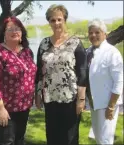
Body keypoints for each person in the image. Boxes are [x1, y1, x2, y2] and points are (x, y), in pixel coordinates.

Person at [35, 4, 87, 145]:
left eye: (59, 19)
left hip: (70, 99)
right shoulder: (44, 43)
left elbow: (82, 73)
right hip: (50, 98)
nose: (56, 23)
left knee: (69, 138)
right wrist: (38, 95)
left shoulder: (75, 43)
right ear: (49, 22)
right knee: (52, 137)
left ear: (64, 20)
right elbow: (39, 71)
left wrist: (81, 100)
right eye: (53, 20)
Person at [0, 16, 37, 145]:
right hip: (4, 109)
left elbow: (31, 75)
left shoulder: (27, 52)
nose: (14, 31)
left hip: (23, 107)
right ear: (4, 33)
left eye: (17, 28)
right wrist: (1, 109)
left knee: (19, 141)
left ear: (22, 32)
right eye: (10, 29)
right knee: (6, 141)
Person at [86, 19, 123, 144]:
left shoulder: (113, 53)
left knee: (106, 141)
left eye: (97, 32)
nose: (93, 35)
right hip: (94, 103)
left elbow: (119, 81)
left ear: (105, 34)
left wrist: (111, 106)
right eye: (91, 32)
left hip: (107, 104)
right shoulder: (88, 52)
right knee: (98, 138)